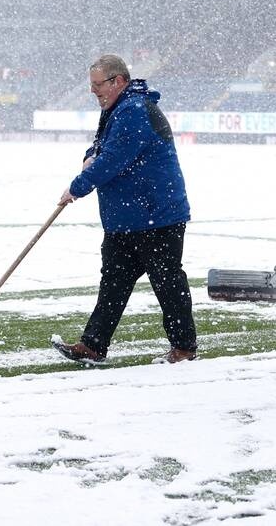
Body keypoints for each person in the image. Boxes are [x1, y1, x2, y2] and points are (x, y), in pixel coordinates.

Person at [55, 54, 198, 365]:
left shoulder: (133, 111)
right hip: (126, 219)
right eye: (91, 86)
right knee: (114, 284)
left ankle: (184, 348)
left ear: (118, 81)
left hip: (156, 215)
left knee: (168, 283)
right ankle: (93, 345)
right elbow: (101, 147)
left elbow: (114, 159)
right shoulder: (117, 110)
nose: (93, 92)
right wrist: (89, 155)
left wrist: (78, 187)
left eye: (98, 85)